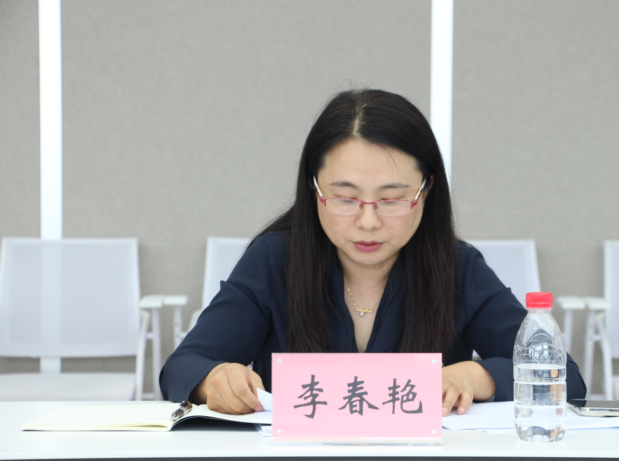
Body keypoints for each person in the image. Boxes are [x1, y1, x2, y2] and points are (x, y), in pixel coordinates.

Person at [160, 89, 586, 416]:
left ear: (426, 191)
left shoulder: (457, 268)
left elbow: (563, 376)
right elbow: (183, 366)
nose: (368, 222)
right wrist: (214, 380)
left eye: (392, 199)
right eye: (345, 198)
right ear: (314, 190)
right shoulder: (274, 260)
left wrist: (479, 376)